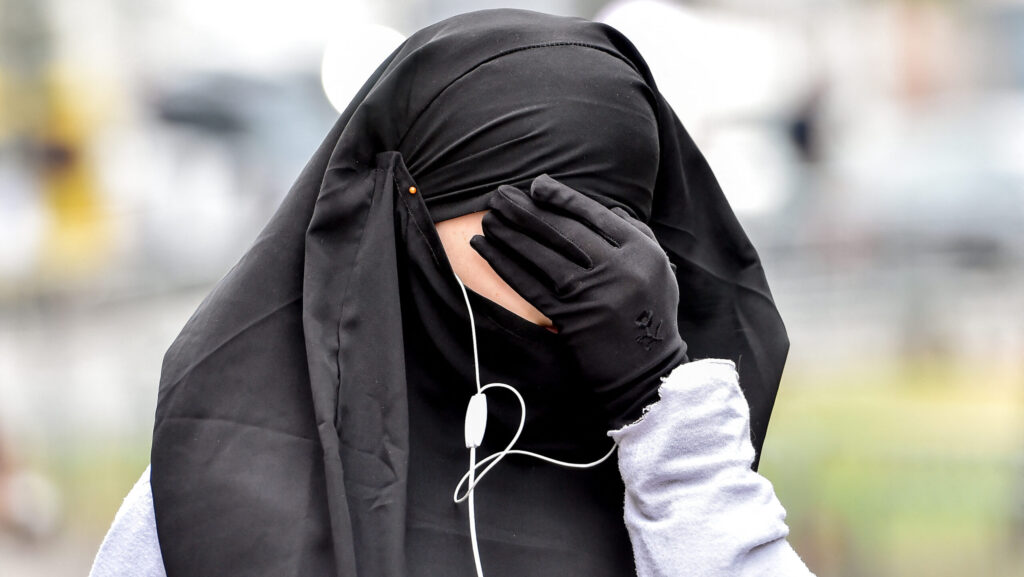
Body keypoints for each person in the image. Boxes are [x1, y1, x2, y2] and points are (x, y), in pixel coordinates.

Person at [91, 8, 811, 577]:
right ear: (408, 218)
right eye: (539, 223)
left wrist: (659, 401)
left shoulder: (672, 475)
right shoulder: (220, 475)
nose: (591, 266)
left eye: (620, 223)